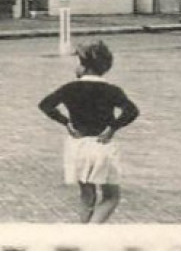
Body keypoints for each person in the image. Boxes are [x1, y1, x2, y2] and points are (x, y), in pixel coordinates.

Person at [38, 40, 140, 223]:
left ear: (84, 67)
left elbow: (45, 105)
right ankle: (91, 234)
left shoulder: (69, 88)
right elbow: (132, 111)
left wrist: (66, 122)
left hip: (78, 146)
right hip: (103, 145)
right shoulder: (112, 90)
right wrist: (113, 127)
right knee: (111, 196)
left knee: (86, 195)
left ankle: (84, 234)